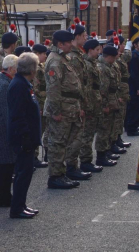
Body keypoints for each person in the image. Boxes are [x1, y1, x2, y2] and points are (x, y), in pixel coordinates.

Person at [45, 30, 84, 189]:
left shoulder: (63, 58)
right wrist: (56, 112)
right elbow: (53, 89)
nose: (71, 44)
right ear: (60, 44)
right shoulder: (55, 61)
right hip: (62, 109)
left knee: (66, 141)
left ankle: (62, 173)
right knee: (57, 142)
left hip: (70, 107)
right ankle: (55, 176)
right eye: (68, 42)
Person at [7, 52, 41, 219]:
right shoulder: (19, 86)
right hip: (22, 137)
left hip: (27, 136)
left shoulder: (23, 83)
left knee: (26, 173)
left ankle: (21, 204)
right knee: (22, 173)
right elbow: (18, 114)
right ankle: (17, 207)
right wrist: (25, 136)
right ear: (32, 70)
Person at [64, 24, 92, 181]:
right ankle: (71, 166)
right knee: (74, 137)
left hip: (80, 101)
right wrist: (80, 105)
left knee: (77, 136)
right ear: (77, 36)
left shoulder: (77, 55)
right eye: (84, 35)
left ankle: (72, 165)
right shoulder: (73, 58)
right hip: (74, 103)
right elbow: (75, 84)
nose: (86, 38)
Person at [0, 54, 18, 208]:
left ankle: (5, 196)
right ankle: (3, 198)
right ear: (12, 68)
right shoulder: (4, 85)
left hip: (1, 128)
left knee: (6, 167)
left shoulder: (5, 82)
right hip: (2, 130)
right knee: (5, 167)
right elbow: (6, 111)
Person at [78, 39, 104, 172]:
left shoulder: (93, 63)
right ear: (90, 50)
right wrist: (85, 106)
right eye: (97, 49)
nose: (99, 52)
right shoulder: (87, 65)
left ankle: (87, 159)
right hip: (89, 104)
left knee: (90, 132)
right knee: (87, 134)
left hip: (94, 102)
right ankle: (85, 160)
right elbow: (86, 87)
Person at [95, 45, 121, 166]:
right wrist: (105, 105)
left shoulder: (108, 66)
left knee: (109, 128)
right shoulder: (103, 68)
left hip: (111, 101)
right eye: (114, 57)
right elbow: (103, 89)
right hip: (106, 103)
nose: (115, 60)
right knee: (103, 129)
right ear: (109, 57)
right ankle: (101, 156)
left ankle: (106, 152)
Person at [31, 42, 49, 168]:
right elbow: (36, 89)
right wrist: (39, 106)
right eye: (43, 54)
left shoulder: (40, 66)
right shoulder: (36, 69)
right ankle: (34, 156)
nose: (45, 56)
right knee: (37, 131)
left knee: (42, 130)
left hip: (43, 103)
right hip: (40, 104)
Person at [125, 36, 139, 136]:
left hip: (138, 85)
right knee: (134, 107)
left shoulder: (138, 55)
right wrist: (138, 87)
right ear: (135, 45)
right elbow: (134, 73)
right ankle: (132, 128)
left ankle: (134, 126)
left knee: (138, 107)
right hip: (134, 87)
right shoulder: (134, 56)